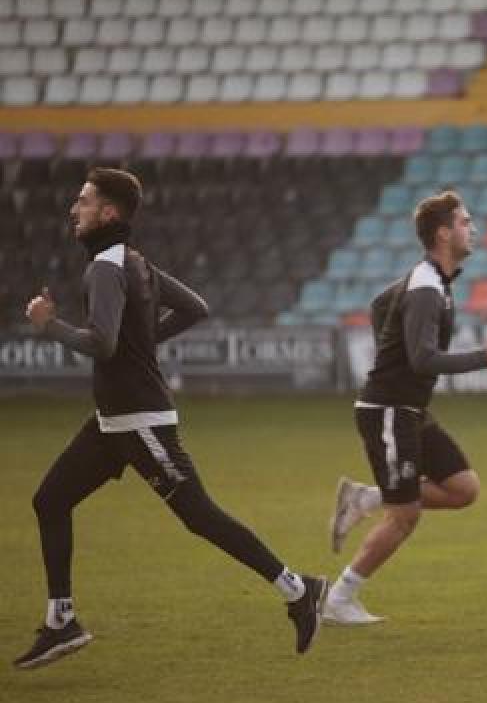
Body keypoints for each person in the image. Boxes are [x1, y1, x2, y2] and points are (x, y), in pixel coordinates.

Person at [17, 168, 325, 669]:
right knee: (50, 500)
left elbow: (103, 344)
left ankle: (299, 590)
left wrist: (48, 325)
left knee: (198, 515)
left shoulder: (105, 268)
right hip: (112, 423)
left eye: (84, 201)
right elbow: (195, 308)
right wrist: (141, 344)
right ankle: (61, 621)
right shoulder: (134, 262)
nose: (74, 209)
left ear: (108, 213)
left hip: (139, 421)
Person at [324, 190, 487, 625]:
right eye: (465, 222)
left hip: (409, 409)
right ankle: (338, 599)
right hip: (389, 410)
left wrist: (388, 350)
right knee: (405, 516)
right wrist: (484, 358)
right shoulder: (427, 289)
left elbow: (380, 305)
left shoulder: (431, 281)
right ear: (443, 234)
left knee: (464, 488)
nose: (473, 229)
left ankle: (367, 497)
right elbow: (422, 359)